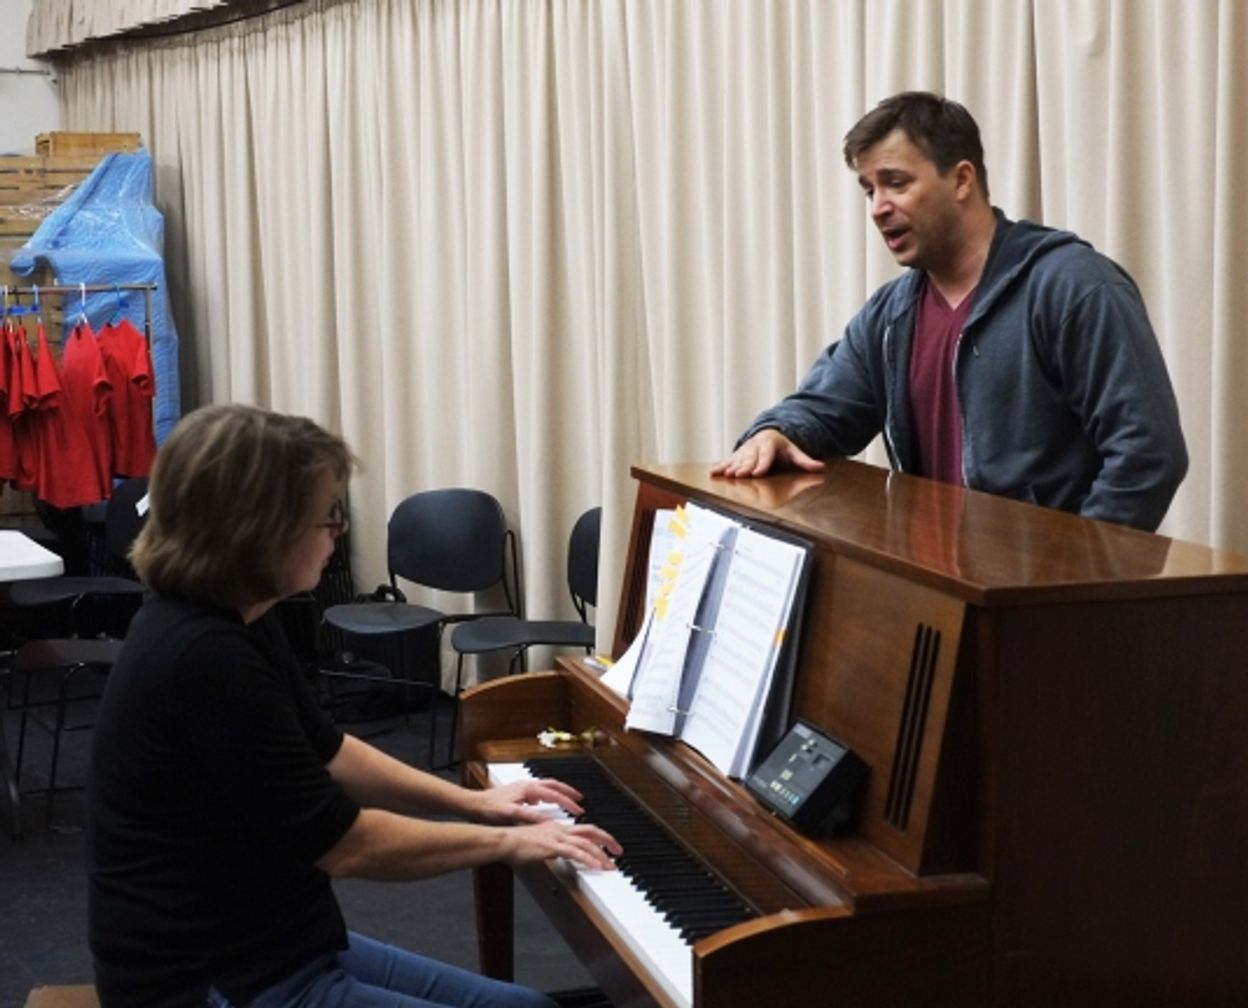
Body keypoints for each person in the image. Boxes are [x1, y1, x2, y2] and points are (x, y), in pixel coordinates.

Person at [86, 403, 621, 1008]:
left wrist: (477, 803)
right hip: (207, 979)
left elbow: (331, 752)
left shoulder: (240, 615)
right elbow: (347, 845)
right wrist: (508, 844)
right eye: (327, 516)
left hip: (276, 941)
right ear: (259, 531)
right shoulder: (203, 656)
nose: (337, 532)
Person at [711, 91, 1188, 532]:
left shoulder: (1073, 286)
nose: (878, 208)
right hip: (939, 590)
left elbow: (1148, 453)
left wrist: (1077, 571)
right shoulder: (891, 314)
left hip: (1045, 592)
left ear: (962, 179)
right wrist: (775, 432)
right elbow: (824, 407)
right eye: (869, 190)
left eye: (896, 183)